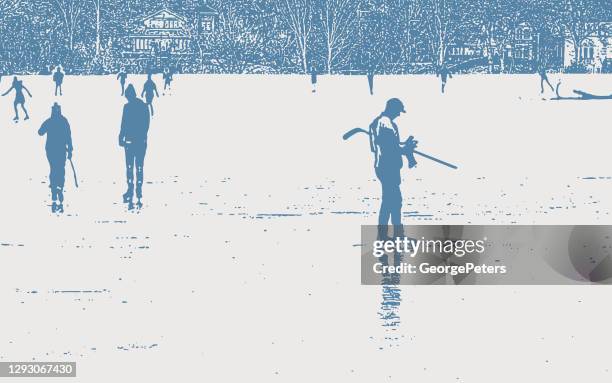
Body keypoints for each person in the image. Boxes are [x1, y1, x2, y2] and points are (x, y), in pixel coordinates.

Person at [369, 98, 417, 240]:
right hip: (387, 167)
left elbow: (390, 145)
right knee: (392, 201)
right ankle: (390, 235)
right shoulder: (385, 124)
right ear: (392, 109)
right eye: (398, 111)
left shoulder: (380, 122)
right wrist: (406, 148)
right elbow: (390, 148)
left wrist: (405, 145)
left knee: (392, 200)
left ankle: (391, 234)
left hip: (386, 166)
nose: (399, 114)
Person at [119, 84, 150, 209]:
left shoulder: (127, 107)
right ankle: (138, 189)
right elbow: (147, 124)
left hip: (130, 142)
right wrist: (142, 136)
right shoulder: (143, 106)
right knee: (139, 166)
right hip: (141, 141)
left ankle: (131, 189)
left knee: (130, 166)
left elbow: (124, 124)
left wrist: (121, 137)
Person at [38, 103, 73, 213]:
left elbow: (40, 132)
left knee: (53, 169)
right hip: (61, 150)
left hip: (51, 150)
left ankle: (54, 188)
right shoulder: (64, 121)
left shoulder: (50, 121)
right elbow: (69, 136)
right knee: (60, 169)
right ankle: (59, 187)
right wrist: (70, 149)